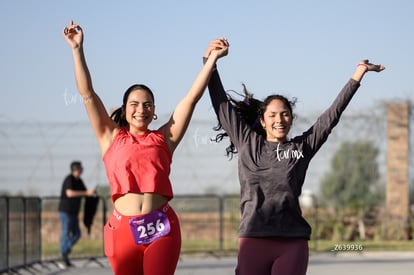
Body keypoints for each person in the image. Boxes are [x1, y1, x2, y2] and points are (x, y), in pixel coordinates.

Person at [204, 39, 384, 275]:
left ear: (291, 119)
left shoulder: (300, 148)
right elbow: (221, 104)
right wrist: (210, 62)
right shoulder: (248, 142)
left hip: (292, 241)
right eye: (273, 115)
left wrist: (358, 75)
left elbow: (330, 117)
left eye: (285, 114)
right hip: (253, 238)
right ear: (263, 120)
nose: (279, 120)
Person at [62, 20, 228, 275]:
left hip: (161, 227)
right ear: (125, 109)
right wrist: (77, 50)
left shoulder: (165, 138)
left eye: (148, 104)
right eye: (135, 104)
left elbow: (191, 98)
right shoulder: (110, 136)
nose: (141, 109)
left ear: (154, 112)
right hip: (122, 231)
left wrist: (211, 60)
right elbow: (87, 93)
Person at [58, 160, 95, 267]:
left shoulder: (79, 181)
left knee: (77, 234)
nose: (82, 170)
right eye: (80, 168)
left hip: (74, 213)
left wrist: (91, 193)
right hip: (65, 211)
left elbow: (85, 192)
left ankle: (64, 252)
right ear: (76, 169)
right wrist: (85, 193)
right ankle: (63, 255)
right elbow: (69, 193)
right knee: (66, 233)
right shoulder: (69, 179)